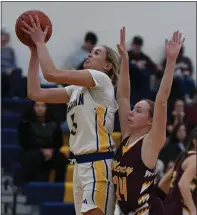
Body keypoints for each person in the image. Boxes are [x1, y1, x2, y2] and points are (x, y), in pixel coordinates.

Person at [21, 15, 120, 215]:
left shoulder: (101, 80)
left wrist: (40, 42)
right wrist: (33, 51)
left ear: (107, 66)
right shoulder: (76, 89)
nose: (90, 54)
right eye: (90, 51)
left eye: (97, 53)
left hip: (98, 163)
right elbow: (35, 93)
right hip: (80, 165)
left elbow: (51, 74)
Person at [112, 27, 184, 215]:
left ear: (151, 121)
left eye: (139, 110)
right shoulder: (127, 137)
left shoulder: (151, 143)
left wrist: (170, 62)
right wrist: (125, 60)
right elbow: (123, 97)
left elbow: (161, 101)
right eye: (134, 109)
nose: (131, 112)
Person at [18, 101, 68, 183]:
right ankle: (32, 186)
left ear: (46, 108)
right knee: (34, 158)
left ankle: (58, 186)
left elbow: (59, 142)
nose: (40, 108)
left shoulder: (54, 123)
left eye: (42, 106)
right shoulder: (25, 123)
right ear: (33, 108)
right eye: (37, 106)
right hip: (32, 151)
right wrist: (42, 150)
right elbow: (25, 143)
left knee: (62, 159)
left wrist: (51, 150)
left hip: (51, 152)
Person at [158, 127, 197, 215]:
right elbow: (183, 184)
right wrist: (193, 210)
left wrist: (174, 198)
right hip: (182, 210)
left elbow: (162, 183)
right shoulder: (195, 159)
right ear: (195, 141)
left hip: (168, 208)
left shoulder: (183, 157)